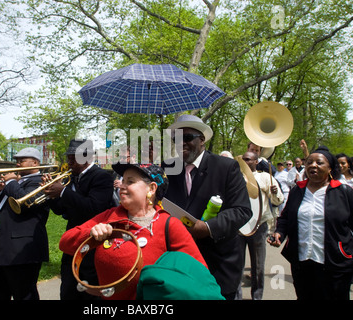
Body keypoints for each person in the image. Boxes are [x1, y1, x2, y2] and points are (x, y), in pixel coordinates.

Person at [59, 163, 207, 300]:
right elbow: (65, 242)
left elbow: (199, 273)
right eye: (122, 181)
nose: (122, 186)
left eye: (130, 182)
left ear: (152, 189)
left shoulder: (169, 225)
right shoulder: (110, 216)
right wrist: (91, 234)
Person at [162, 114, 252, 300]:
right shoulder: (167, 168)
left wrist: (208, 227)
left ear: (202, 140)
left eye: (187, 138)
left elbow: (242, 210)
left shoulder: (227, 167)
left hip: (218, 265)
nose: (182, 143)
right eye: (176, 139)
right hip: (180, 265)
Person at [269, 146, 353, 300]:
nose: (313, 165)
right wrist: (279, 232)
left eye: (319, 163)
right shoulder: (297, 191)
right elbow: (286, 217)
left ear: (329, 168)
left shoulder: (344, 192)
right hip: (302, 263)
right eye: (309, 162)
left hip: (335, 264)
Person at [44, 139, 114, 300]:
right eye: (69, 158)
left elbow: (95, 209)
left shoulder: (101, 176)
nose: (69, 162)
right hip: (73, 242)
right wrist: (50, 195)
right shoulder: (71, 177)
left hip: (93, 243)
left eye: (73, 158)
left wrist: (63, 192)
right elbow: (60, 209)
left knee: (89, 293)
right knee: (68, 291)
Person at [0, 147, 50, 300]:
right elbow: (0, 206)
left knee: (24, 295)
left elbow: (27, 203)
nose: (17, 164)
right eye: (17, 161)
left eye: (22, 161)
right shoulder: (16, 182)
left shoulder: (43, 182)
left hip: (21, 250)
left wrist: (12, 182)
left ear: (35, 163)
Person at [236, 151, 283, 300]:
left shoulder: (266, 177)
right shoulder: (235, 177)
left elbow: (278, 201)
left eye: (248, 159)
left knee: (258, 266)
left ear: (256, 162)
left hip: (259, 226)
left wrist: (274, 193)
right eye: (243, 159)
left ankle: (257, 296)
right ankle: (236, 296)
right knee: (237, 265)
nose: (245, 161)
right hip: (238, 227)